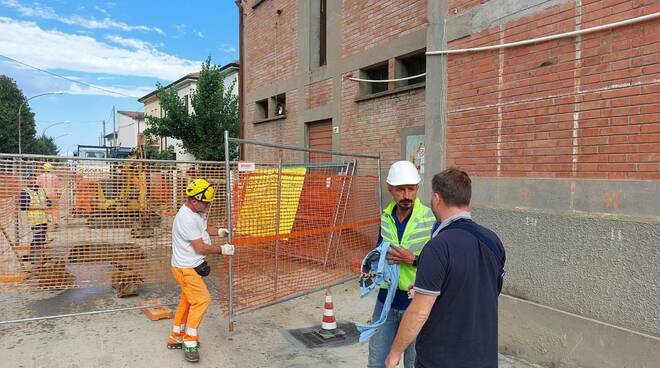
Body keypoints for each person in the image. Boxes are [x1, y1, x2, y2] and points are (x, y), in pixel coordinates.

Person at [385, 168, 506, 368]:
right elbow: (483, 291)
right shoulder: (493, 241)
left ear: (436, 198)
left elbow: (419, 313)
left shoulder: (438, 247)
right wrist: (427, 288)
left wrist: (395, 352)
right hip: (484, 358)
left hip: (441, 359)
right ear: (466, 199)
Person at [368, 161, 437, 368]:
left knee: (415, 363)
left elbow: (441, 265)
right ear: (390, 189)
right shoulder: (385, 216)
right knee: (377, 362)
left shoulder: (431, 218)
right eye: (401, 189)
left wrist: (413, 260)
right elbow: (379, 251)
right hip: (385, 303)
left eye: (412, 189)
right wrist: (370, 268)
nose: (407, 195)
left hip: (416, 304)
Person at [166, 178, 235, 363]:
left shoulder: (198, 211)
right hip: (185, 268)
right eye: (206, 202)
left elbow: (203, 229)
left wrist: (220, 231)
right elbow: (200, 248)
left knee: (188, 302)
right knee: (202, 300)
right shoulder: (186, 218)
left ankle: (175, 336)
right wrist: (223, 249)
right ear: (194, 200)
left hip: (190, 266)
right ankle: (189, 341)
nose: (208, 205)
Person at [20, 172, 50, 264]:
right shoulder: (25, 192)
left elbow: (48, 201)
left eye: (32, 179)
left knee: (41, 238)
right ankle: (35, 258)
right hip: (35, 220)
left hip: (44, 219)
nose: (31, 181)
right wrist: (41, 207)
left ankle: (35, 256)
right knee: (38, 238)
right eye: (29, 179)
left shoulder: (41, 190)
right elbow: (24, 207)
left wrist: (49, 203)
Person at [37, 162, 62, 227]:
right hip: (53, 195)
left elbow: (37, 187)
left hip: (43, 195)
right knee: (54, 209)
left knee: (44, 209)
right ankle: (55, 222)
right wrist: (59, 195)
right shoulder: (55, 177)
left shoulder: (39, 177)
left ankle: (44, 222)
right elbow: (58, 187)